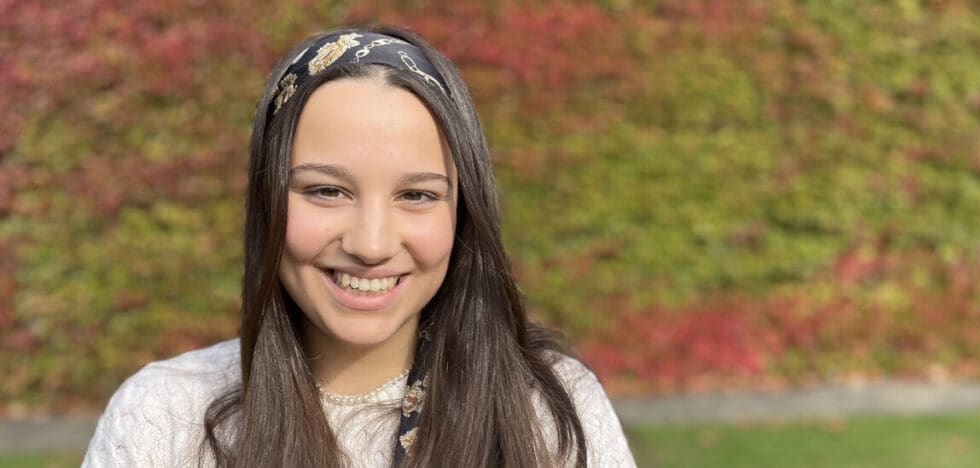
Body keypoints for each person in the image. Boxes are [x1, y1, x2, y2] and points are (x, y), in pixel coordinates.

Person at [83, 25, 635, 467]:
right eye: (328, 190)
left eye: (416, 194)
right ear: (267, 201)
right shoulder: (164, 417)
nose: (371, 245)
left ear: (463, 213)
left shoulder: (550, 412)